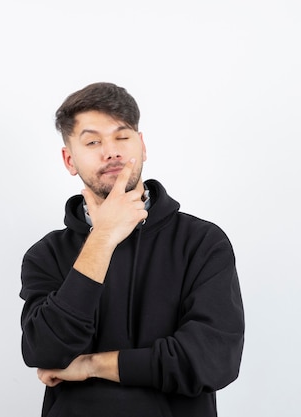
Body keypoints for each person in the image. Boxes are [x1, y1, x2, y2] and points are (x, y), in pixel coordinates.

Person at [19, 82, 244, 417]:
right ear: (69, 159)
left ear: (142, 145)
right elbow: (47, 351)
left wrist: (92, 365)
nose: (111, 151)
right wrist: (103, 237)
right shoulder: (46, 254)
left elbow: (211, 361)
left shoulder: (201, 242)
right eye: (93, 141)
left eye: (122, 137)